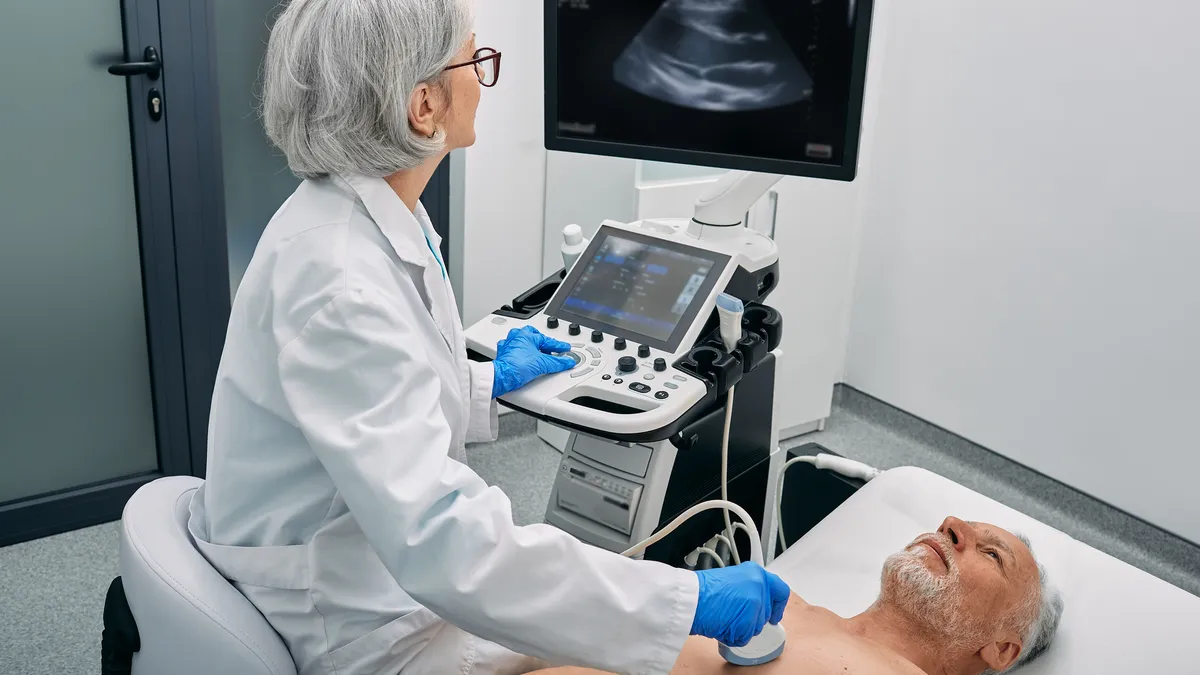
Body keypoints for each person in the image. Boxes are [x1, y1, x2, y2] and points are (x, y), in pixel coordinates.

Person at [185, 1, 790, 674]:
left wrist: (480, 382)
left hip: (371, 566)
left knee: (599, 624)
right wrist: (682, 599)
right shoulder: (341, 281)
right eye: (475, 60)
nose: (482, 77)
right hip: (354, 624)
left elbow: (375, 400)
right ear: (424, 106)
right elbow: (450, 545)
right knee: (644, 656)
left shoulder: (357, 219)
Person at [532, 517, 1065, 675]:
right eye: (954, 521)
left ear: (1001, 649)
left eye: (993, 555)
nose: (950, 526)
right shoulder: (781, 607)